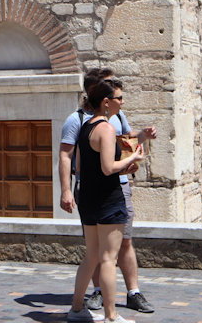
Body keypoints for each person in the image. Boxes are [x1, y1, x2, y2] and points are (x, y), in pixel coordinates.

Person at [60, 68, 156, 315]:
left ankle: (76, 308)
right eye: (118, 97)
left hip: (89, 198)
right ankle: (112, 316)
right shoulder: (104, 127)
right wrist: (132, 158)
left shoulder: (86, 125)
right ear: (104, 100)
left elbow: (81, 166)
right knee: (107, 259)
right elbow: (107, 167)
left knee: (91, 256)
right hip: (109, 199)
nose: (122, 102)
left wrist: (127, 160)